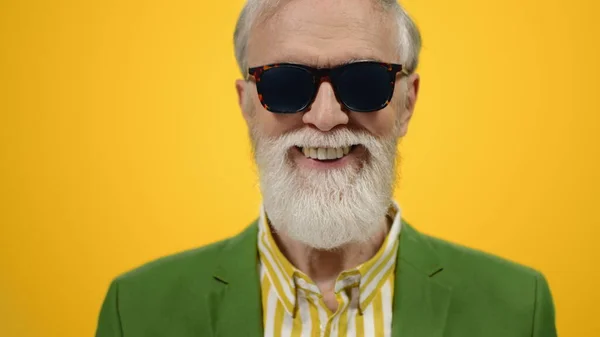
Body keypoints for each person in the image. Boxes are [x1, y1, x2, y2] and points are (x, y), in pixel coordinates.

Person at [95, 0, 558, 336]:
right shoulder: (134, 311)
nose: (325, 116)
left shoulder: (520, 308)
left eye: (363, 80)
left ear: (407, 102)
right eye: (285, 82)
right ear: (248, 106)